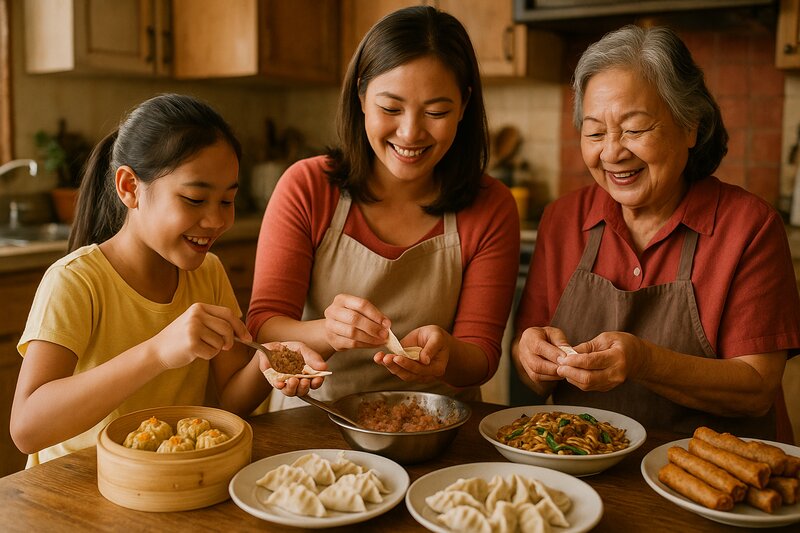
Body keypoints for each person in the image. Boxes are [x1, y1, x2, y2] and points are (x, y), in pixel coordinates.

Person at [513, 25, 800, 442]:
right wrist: (532, 358)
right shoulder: (562, 219)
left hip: (719, 482)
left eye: (635, 129)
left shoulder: (750, 228)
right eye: (594, 132)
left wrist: (644, 361)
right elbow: (531, 377)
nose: (612, 152)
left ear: (690, 127)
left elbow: (756, 389)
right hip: (589, 473)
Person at [10, 94, 327, 466]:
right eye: (194, 199)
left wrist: (270, 362)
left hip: (171, 481)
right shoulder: (76, 282)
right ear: (129, 187)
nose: (216, 221)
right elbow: (27, 427)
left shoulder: (208, 272)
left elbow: (231, 399)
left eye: (227, 201)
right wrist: (158, 351)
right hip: (78, 486)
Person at [246, 6, 520, 410]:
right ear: (360, 96)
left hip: (437, 427)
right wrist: (329, 332)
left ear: (464, 105)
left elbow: (481, 355)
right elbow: (265, 323)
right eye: (391, 108)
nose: (410, 132)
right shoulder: (307, 186)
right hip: (312, 424)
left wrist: (446, 356)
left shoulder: (491, 205)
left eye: (436, 112)